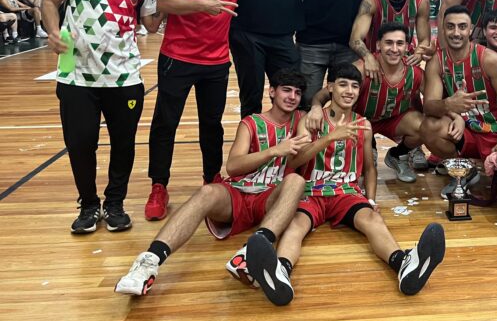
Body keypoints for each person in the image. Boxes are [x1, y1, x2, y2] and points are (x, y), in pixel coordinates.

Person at [115, 71, 311, 296]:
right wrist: (274, 151)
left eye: (298, 93)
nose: (292, 97)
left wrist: (315, 107)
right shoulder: (251, 123)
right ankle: (149, 262)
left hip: (269, 198)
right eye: (286, 90)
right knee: (206, 192)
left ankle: (250, 254)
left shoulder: (302, 119)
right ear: (272, 92)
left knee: (296, 181)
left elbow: (324, 100)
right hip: (239, 192)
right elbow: (233, 166)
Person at [265, 63, 445, 306]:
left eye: (354, 86)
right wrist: (329, 138)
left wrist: (371, 199)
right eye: (342, 85)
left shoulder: (364, 124)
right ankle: (280, 272)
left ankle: (403, 265)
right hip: (312, 190)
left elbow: (370, 169)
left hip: (346, 192)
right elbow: (294, 161)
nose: (349, 91)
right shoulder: (312, 120)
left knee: (373, 219)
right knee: (295, 226)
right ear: (330, 88)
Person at [41, 0, 161, 233]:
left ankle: (115, 203)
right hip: (76, 75)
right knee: (81, 144)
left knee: (124, 144)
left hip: (124, 76)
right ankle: (89, 205)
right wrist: (53, 30)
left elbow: (151, 25)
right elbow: (50, 1)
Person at [144, 0, 253, 221]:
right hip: (177, 57)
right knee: (165, 124)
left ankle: (211, 177)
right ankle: (159, 186)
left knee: (212, 125)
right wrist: (201, 6)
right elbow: (165, 1)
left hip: (216, 61)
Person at [420, 6, 497, 196]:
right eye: (450, 26)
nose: (456, 33)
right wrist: (450, 107)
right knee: (429, 127)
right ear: (442, 29)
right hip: (466, 130)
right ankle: (463, 171)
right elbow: (429, 106)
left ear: (471, 29)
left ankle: (487, 166)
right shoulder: (437, 61)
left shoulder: (489, 59)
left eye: (462, 26)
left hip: (494, 132)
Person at [309, 22, 425, 183]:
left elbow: (434, 102)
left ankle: (397, 156)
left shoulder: (415, 72)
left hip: (393, 120)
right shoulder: (362, 68)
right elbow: (322, 95)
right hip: (361, 123)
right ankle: (368, 148)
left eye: (399, 43)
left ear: (407, 47)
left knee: (425, 126)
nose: (394, 49)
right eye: (388, 43)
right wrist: (315, 107)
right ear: (378, 45)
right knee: (363, 170)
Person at [349, 0, 432, 76]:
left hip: (405, 58)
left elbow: (424, 39)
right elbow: (355, 39)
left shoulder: (421, 1)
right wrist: (368, 57)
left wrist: (419, 53)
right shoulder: (371, 0)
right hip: (376, 61)